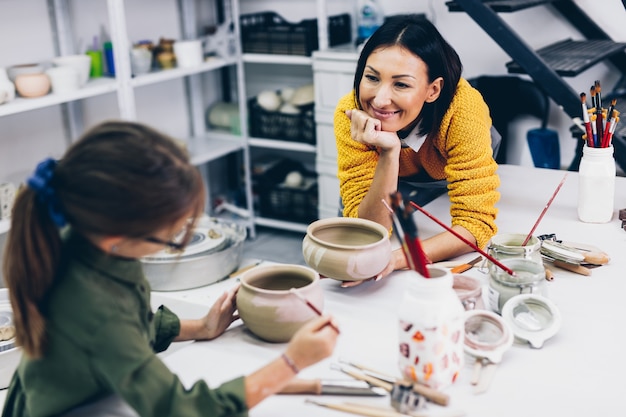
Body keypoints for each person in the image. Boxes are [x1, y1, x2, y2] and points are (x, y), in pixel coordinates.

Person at [1, 120, 338, 417]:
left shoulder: (84, 230)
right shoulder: (93, 307)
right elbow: (179, 410)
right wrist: (291, 363)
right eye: (171, 237)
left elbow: (131, 325)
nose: (174, 242)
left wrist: (200, 327)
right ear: (117, 237)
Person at [334, 15, 500, 283]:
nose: (379, 99)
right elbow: (369, 230)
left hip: (448, 166)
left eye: (400, 84)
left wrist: (397, 258)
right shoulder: (350, 113)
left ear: (432, 90)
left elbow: (475, 226)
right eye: (372, 77)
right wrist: (389, 153)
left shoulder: (464, 110)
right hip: (395, 175)